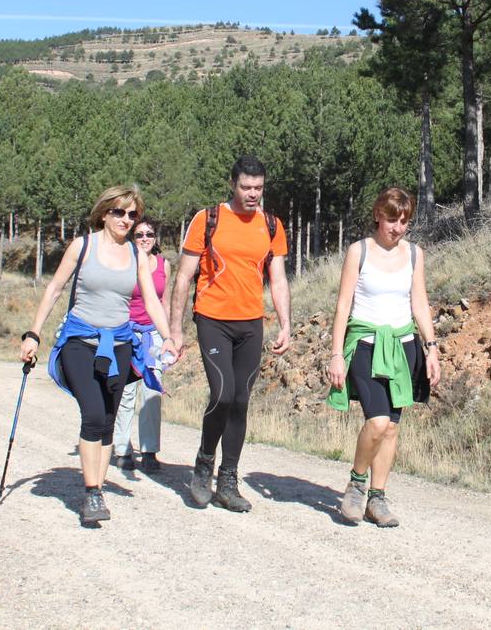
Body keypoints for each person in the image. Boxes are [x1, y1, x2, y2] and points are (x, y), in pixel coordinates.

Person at [19, 186, 181, 525]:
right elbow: (54, 288)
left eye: (133, 214)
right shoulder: (83, 246)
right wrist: (34, 333)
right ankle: (91, 490)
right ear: (105, 213)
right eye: (120, 212)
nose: (126, 220)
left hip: (120, 344)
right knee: (93, 414)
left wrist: (167, 337)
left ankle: (97, 490)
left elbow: (151, 300)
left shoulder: (136, 255)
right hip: (80, 340)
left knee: (107, 420)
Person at [169, 154, 290, 512]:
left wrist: (285, 324)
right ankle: (204, 464)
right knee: (222, 394)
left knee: (240, 401)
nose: (253, 194)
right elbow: (183, 277)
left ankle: (228, 480)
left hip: (251, 323)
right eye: (246, 187)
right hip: (212, 319)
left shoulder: (271, 224)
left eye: (259, 188)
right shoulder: (208, 219)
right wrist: (175, 330)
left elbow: (278, 278)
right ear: (233, 184)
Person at [326, 187, 440, 528]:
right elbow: (343, 306)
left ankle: (378, 498)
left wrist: (432, 348)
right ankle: (356, 484)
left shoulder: (415, 255)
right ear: (378, 215)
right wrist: (336, 354)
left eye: (404, 221)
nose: (398, 227)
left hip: (404, 347)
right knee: (376, 422)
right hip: (366, 344)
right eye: (392, 219)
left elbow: (419, 304)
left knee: (391, 427)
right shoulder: (358, 252)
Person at [115, 219, 171, 473]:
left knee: (152, 393)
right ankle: (123, 448)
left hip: (153, 335)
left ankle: (149, 451)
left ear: (156, 237)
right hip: (127, 332)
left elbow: (164, 302)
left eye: (149, 234)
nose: (145, 238)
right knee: (126, 393)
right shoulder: (124, 263)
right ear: (132, 237)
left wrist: (169, 336)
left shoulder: (163, 265)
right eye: (139, 234)